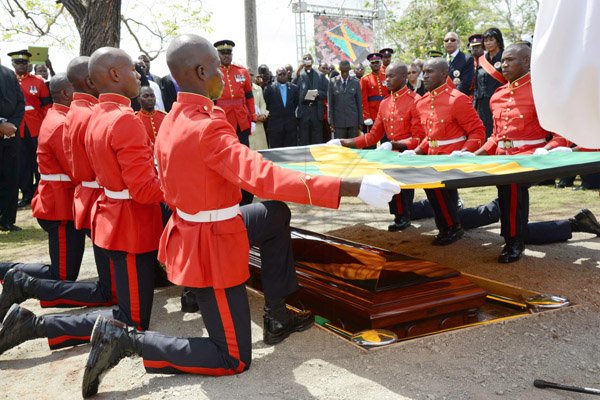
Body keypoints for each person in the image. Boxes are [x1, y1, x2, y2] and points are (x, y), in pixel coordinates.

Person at [77, 33, 400, 397]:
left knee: (273, 214)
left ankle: (277, 312)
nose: (224, 75)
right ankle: (128, 341)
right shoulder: (207, 126)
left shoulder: (172, 118)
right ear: (201, 71)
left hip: (201, 226)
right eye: (218, 68)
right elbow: (263, 176)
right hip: (211, 243)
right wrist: (351, 187)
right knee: (231, 356)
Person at [0, 47, 164, 363]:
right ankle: (32, 325)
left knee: (116, 299)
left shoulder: (94, 115)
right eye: (131, 69)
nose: (137, 75)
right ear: (114, 75)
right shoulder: (118, 119)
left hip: (109, 213)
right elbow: (142, 189)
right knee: (131, 320)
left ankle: (32, 318)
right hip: (126, 221)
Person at [459, 43, 600, 263]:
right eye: (503, 60)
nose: (503, 64)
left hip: (530, 157)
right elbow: (496, 136)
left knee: (512, 194)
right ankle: (567, 225)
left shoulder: (540, 92)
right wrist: (476, 155)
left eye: (510, 60)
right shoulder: (498, 95)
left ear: (526, 61)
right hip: (503, 159)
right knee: (506, 206)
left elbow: (559, 134)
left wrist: (547, 149)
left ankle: (514, 243)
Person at [328, 62, 428, 231]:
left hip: (410, 154)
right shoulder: (385, 103)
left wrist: (393, 144)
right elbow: (373, 136)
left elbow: (418, 138)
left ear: (404, 77)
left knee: (423, 193)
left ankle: (407, 215)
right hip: (390, 154)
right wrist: (343, 142)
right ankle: (401, 216)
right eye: (386, 76)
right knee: (395, 189)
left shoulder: (415, 101)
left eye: (391, 76)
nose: (386, 80)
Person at [413, 57, 485, 245]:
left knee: (441, 194)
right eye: (424, 72)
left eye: (430, 72)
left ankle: (452, 228)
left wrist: (465, 152)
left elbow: (478, 131)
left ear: (444, 74)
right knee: (433, 194)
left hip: (452, 157)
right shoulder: (421, 103)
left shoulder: (457, 99)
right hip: (432, 157)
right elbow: (430, 136)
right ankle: (448, 227)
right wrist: (417, 151)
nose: (425, 76)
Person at [214, 39, 256, 205]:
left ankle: (246, 193)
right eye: (223, 53)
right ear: (218, 54)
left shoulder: (242, 71)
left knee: (244, 156)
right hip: (223, 119)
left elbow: (249, 97)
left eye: (229, 53)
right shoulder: (213, 72)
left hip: (241, 120)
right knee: (227, 157)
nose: (226, 56)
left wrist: (252, 117)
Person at [9, 49, 52, 208]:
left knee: (39, 161)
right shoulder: (8, 81)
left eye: (24, 62)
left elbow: (47, 105)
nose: (21, 65)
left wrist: (47, 125)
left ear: (29, 64)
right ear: (12, 64)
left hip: (37, 127)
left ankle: (41, 192)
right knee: (22, 163)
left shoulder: (38, 82)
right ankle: (26, 194)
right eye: (18, 62)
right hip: (16, 128)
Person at [0, 54, 25, 232]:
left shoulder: (9, 74)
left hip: (10, 135)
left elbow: (20, 102)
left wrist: (12, 125)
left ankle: (7, 219)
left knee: (10, 177)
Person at [474, 28, 505, 138]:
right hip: (483, 102)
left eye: (491, 40)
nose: (488, 43)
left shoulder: (505, 56)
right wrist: (475, 104)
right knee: (486, 131)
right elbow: (477, 85)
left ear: (498, 41)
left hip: (500, 100)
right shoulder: (481, 60)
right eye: (486, 41)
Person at [295, 53, 328, 145]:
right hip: (304, 111)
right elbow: (294, 90)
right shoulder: (300, 75)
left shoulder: (320, 75)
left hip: (316, 110)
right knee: (304, 138)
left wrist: (318, 93)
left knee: (317, 139)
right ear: (302, 61)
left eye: (309, 58)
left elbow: (327, 93)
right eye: (305, 58)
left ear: (312, 61)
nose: (307, 60)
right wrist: (298, 72)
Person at [264, 67, 299, 148]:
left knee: (290, 149)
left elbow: (295, 103)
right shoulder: (269, 89)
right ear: (276, 76)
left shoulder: (294, 88)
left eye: (284, 74)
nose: (282, 76)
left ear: (287, 75)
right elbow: (267, 105)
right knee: (276, 150)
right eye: (280, 74)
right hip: (275, 125)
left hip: (290, 125)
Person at [327, 60, 362, 139]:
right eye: (343, 71)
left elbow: (359, 103)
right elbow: (330, 104)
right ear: (340, 70)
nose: (345, 73)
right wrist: (331, 121)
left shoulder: (356, 82)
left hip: (353, 122)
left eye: (346, 71)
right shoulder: (332, 82)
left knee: (353, 148)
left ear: (349, 70)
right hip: (338, 122)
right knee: (340, 148)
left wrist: (360, 121)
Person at [360, 53, 389, 137]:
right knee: (371, 140)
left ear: (380, 63)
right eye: (373, 63)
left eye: (377, 62)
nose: (375, 64)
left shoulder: (387, 76)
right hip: (372, 113)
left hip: (385, 111)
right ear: (370, 65)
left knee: (386, 138)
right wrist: (366, 116)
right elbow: (363, 99)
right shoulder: (365, 79)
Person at [443, 32, 474, 96]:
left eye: (452, 40)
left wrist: (452, 97)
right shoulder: (440, 60)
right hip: (441, 98)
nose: (449, 42)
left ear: (458, 42)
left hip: (457, 97)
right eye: (446, 40)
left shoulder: (467, 59)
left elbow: (465, 83)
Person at [249, 72, 269, 150]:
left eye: (251, 75)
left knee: (261, 150)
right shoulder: (239, 89)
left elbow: (263, 103)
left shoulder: (258, 89)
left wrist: (263, 115)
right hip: (248, 124)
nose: (249, 77)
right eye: (246, 75)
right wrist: (253, 117)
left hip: (259, 124)